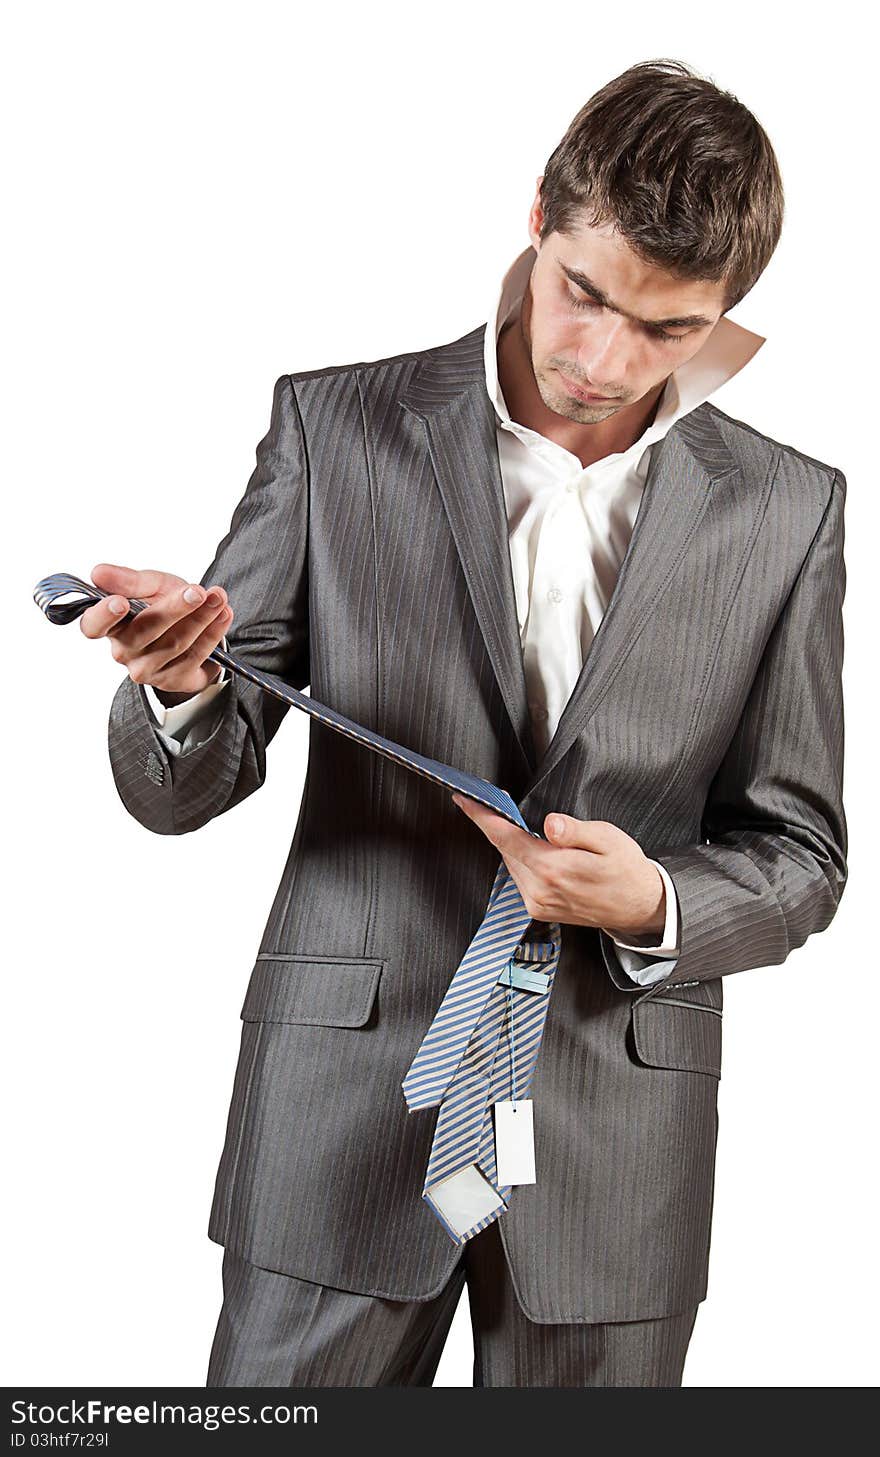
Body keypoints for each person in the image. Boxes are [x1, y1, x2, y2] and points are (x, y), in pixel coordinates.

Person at [83, 59, 848, 1386]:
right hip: (342, 1111)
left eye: (669, 331)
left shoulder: (789, 511)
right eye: (583, 295)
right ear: (538, 217)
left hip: (616, 1148)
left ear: (726, 317)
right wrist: (183, 683)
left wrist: (656, 899)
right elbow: (182, 786)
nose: (602, 360)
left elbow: (801, 852)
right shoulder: (337, 430)